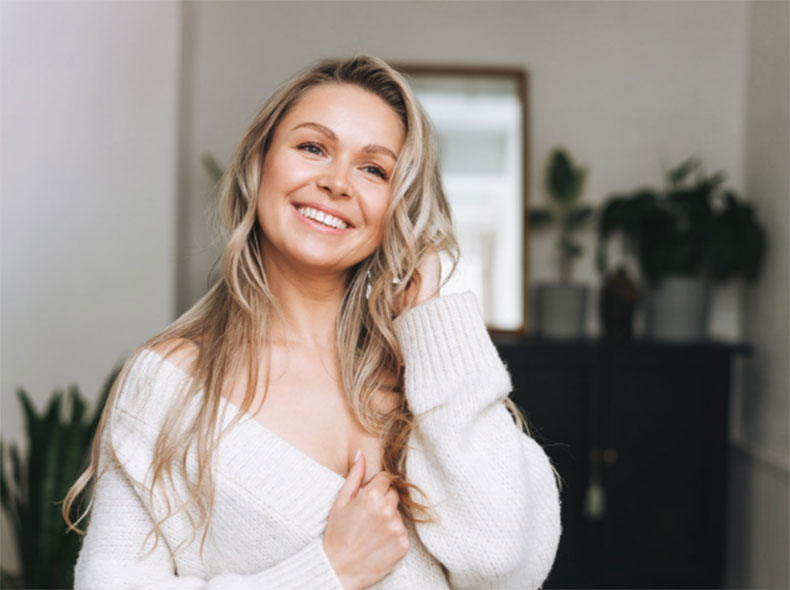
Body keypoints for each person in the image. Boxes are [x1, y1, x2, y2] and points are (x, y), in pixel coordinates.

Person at [63, 55, 561, 590]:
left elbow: (500, 561)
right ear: (260, 164)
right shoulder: (171, 383)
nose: (337, 183)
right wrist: (326, 572)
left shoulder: (427, 377)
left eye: (374, 169)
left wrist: (432, 322)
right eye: (313, 148)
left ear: (398, 206)